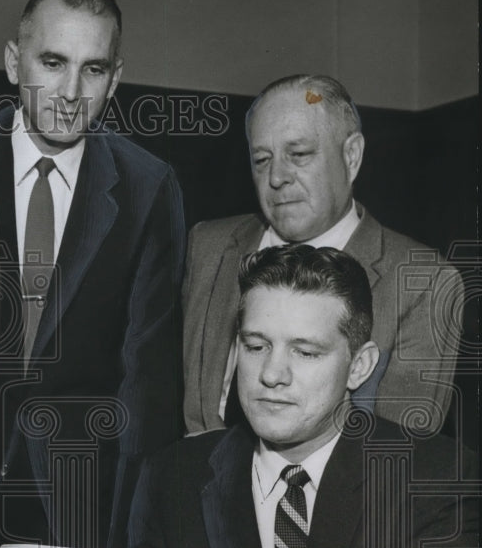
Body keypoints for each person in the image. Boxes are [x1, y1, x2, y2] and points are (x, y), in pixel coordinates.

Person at [130, 245, 478, 548]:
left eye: (306, 352)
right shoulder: (173, 476)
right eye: (256, 346)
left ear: (359, 365)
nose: (272, 374)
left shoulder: (436, 475)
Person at [0, 0, 185, 548]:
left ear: (115, 80)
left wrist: (129, 539)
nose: (69, 90)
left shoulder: (146, 186)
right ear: (14, 63)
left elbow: (148, 381)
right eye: (53, 62)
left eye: (93, 69)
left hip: (72, 501)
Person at [183, 74, 464, 436]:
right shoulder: (209, 245)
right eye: (262, 159)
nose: (277, 177)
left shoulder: (424, 281)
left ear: (351, 156)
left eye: (298, 154)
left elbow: (397, 451)